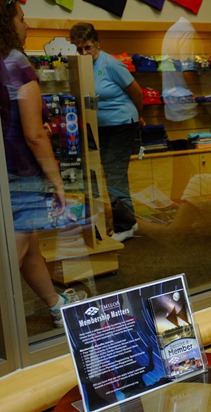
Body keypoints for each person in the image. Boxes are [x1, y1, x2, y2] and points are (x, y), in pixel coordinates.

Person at [1, 0, 86, 328]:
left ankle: (56, 304)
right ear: (7, 23)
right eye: (21, 19)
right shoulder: (15, 62)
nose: (27, 25)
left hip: (6, 171)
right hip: (21, 172)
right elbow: (34, 134)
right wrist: (57, 181)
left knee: (29, 244)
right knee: (12, 257)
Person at [69, 22, 144, 242]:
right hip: (99, 127)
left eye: (88, 48)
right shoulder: (81, 66)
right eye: (79, 49)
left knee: (114, 175)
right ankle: (125, 220)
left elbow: (137, 93)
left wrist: (138, 118)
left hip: (122, 124)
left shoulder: (111, 64)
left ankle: (126, 225)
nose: (84, 53)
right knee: (106, 175)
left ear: (97, 44)